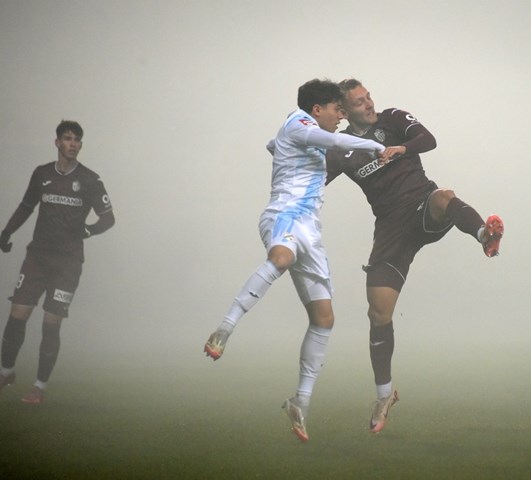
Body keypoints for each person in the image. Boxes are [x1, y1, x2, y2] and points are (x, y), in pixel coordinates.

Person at [203, 79, 385, 442]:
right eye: (337, 109)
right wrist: (378, 147)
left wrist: (278, 148)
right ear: (316, 110)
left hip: (310, 232)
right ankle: (224, 328)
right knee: (281, 258)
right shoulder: (298, 123)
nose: (341, 115)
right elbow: (333, 140)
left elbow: (275, 145)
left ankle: (299, 401)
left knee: (324, 318)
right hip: (284, 215)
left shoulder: (299, 134)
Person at [326, 79, 504, 433]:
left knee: (443, 196)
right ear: (345, 111)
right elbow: (315, 180)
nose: (369, 104)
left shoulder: (392, 119)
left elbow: (429, 140)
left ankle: (485, 234)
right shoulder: (339, 149)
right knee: (378, 312)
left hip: (423, 207)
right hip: (392, 231)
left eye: (369, 96)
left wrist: (400, 149)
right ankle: (384, 395)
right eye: (360, 102)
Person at [0, 120, 115, 404]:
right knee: (17, 316)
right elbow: (26, 207)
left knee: (51, 324)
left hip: (68, 264)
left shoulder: (90, 180)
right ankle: (6, 371)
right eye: (68, 138)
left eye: (77, 140)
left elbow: (108, 218)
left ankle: (38, 387)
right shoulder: (41, 174)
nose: (73, 144)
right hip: (37, 258)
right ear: (57, 143)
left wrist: (87, 230)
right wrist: (6, 232)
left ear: (80, 145)